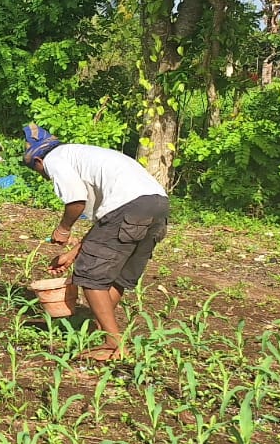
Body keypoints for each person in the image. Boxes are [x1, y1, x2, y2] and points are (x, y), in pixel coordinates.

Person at [23, 123, 170, 362]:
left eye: (39, 172)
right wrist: (72, 253)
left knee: (90, 276)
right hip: (158, 205)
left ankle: (114, 343)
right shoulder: (84, 156)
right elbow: (108, 223)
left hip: (130, 207)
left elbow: (76, 202)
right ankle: (99, 331)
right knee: (118, 276)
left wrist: (63, 229)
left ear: (38, 161)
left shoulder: (54, 159)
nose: (44, 176)